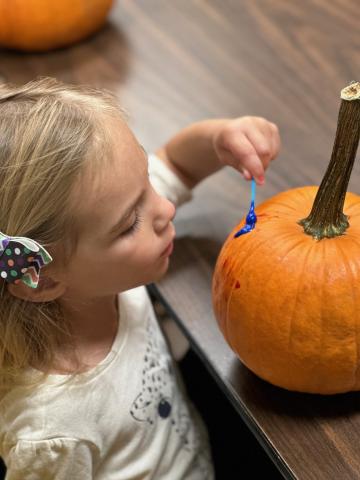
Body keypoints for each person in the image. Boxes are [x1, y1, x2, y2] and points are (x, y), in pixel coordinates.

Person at [0, 77, 280, 479]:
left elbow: (177, 164)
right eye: (130, 223)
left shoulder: (97, 268)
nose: (164, 207)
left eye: (146, 180)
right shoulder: (52, 433)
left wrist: (221, 138)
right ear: (41, 281)